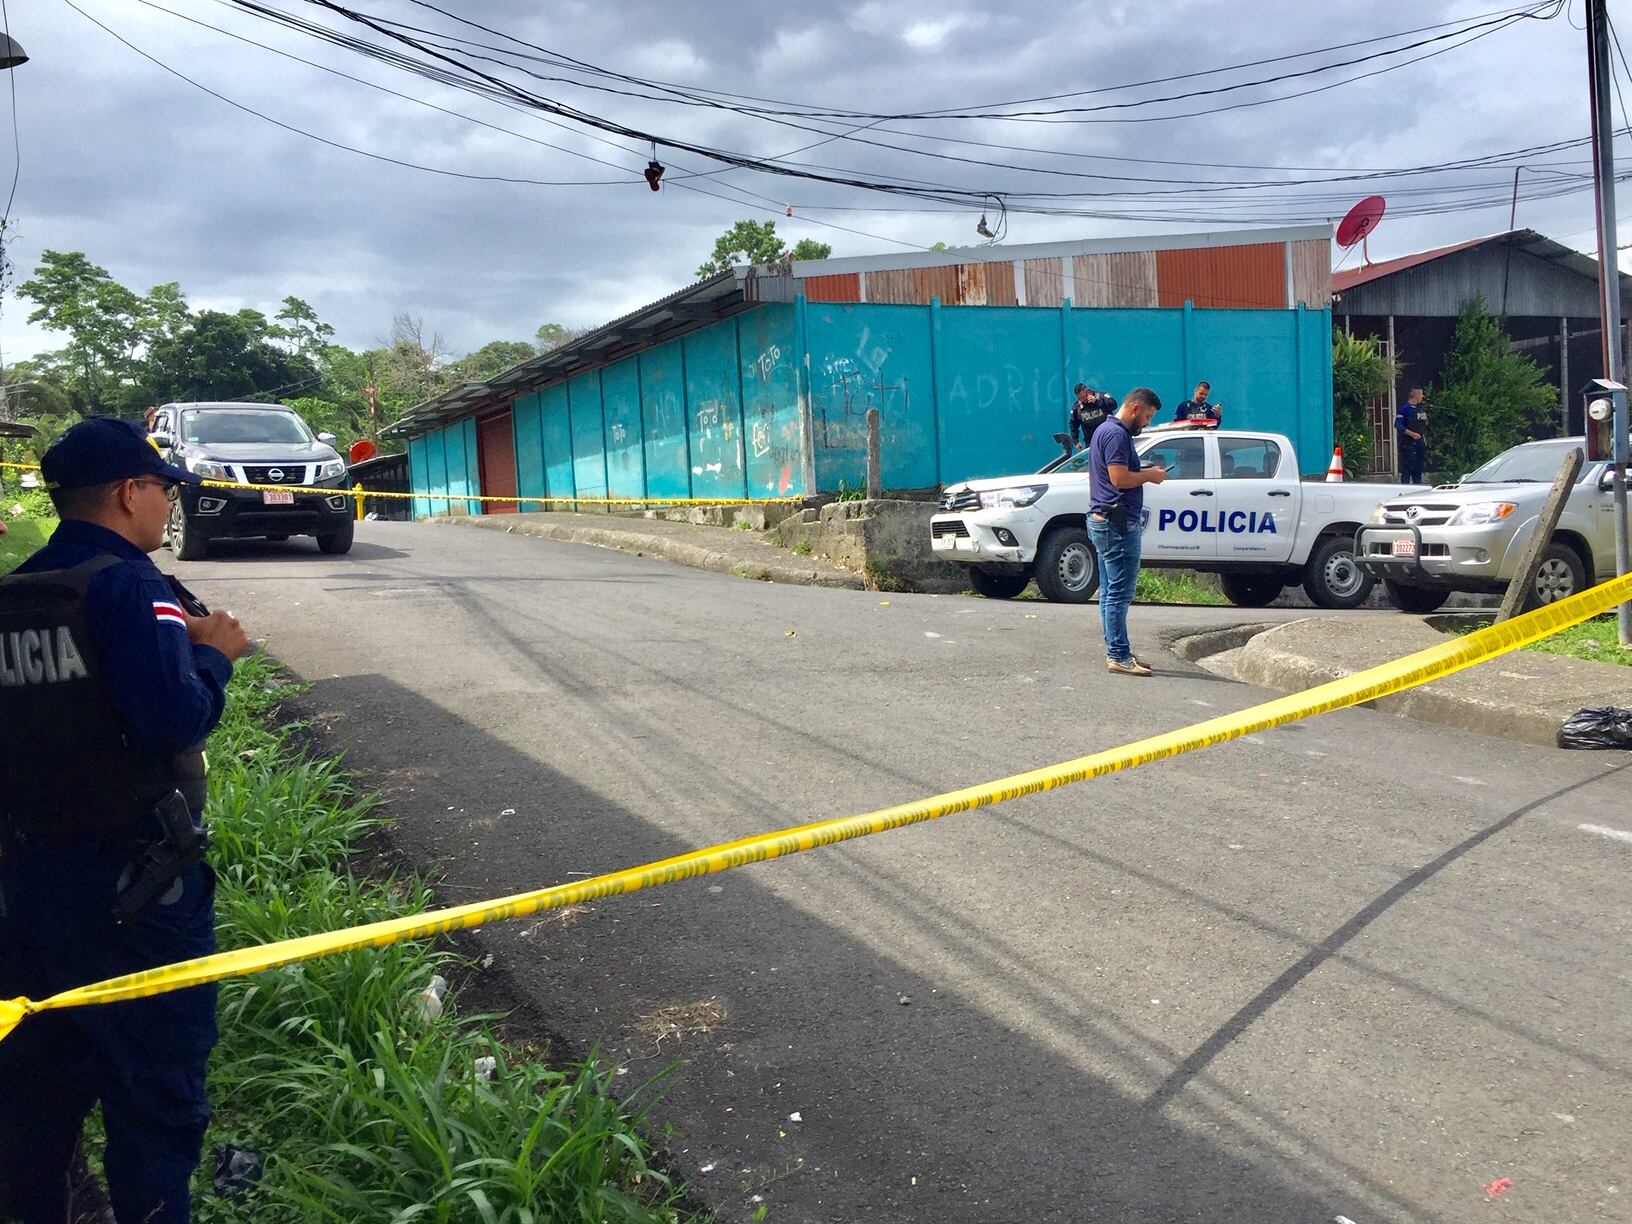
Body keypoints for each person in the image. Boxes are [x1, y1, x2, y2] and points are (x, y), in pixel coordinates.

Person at [0, 417, 249, 1223]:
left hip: (31, 884)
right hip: (139, 892)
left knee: (40, 1090)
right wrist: (215, 654)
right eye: (163, 489)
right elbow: (170, 720)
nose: (167, 506)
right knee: (156, 1092)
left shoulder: (16, 594)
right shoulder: (132, 585)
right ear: (127, 492)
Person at [1086, 387, 1167, 676]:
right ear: (1134, 408)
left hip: (1104, 519)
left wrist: (1142, 470)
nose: (1146, 422)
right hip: (1116, 523)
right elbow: (1118, 478)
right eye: (1147, 416)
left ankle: (1117, 649)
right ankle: (1119, 655)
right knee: (1119, 593)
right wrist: (1150, 476)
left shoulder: (1105, 430)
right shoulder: (1118, 434)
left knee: (1109, 592)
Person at [1069, 384, 1116, 450]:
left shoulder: (1101, 396)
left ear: (1088, 392)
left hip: (1109, 437)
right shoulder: (1077, 407)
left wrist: (1098, 402)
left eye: (1083, 397)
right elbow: (1073, 425)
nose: (1082, 400)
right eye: (1079, 398)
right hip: (1092, 443)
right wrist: (1076, 441)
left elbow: (1114, 405)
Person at [1396, 387, 1428, 483]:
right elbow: (1398, 425)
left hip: (1420, 443)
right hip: (1408, 444)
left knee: (1418, 469)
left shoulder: (1420, 409)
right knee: (1407, 469)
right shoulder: (1404, 409)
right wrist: (1412, 434)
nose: (1423, 396)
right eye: (1421, 394)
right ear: (1416, 395)